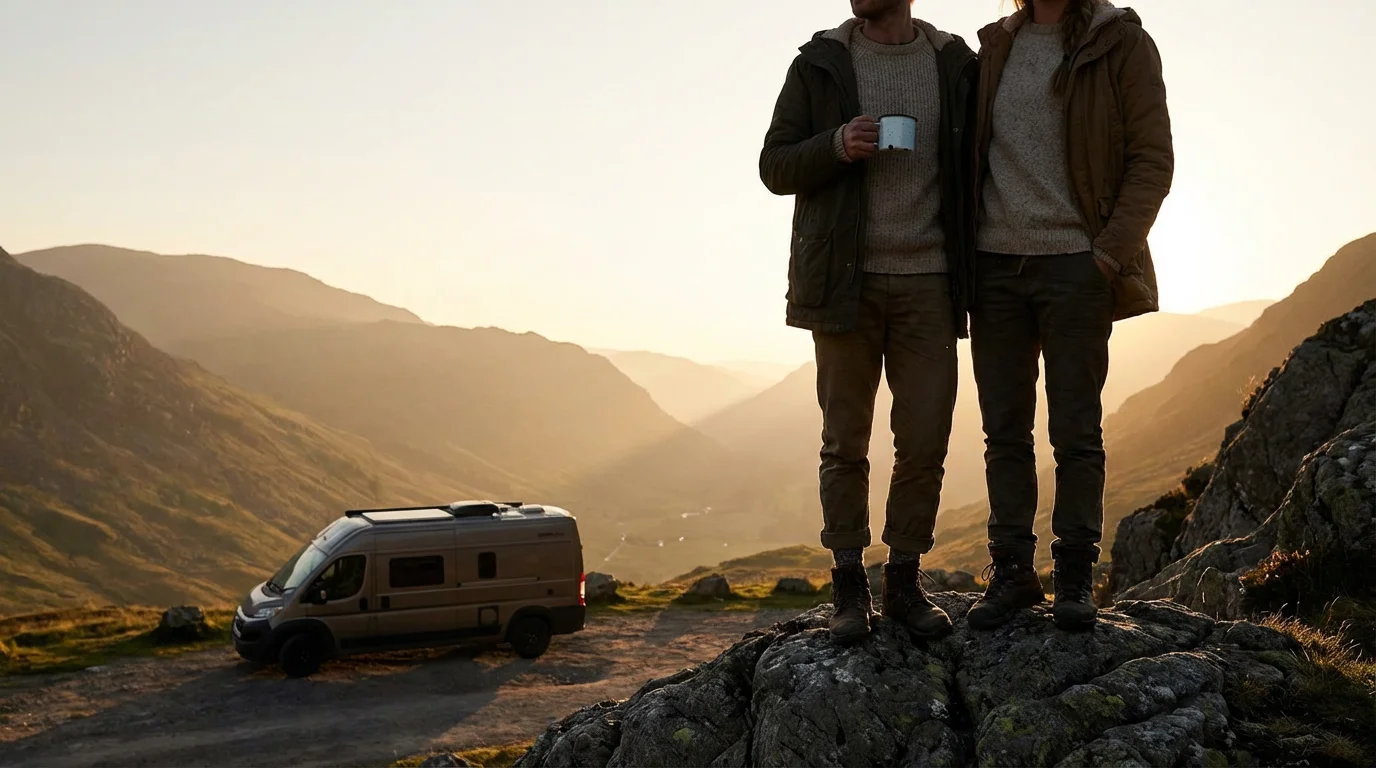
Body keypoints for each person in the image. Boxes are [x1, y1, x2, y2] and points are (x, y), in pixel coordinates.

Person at [759, 0, 978, 643]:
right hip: (843, 284)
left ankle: (904, 578)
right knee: (844, 442)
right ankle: (849, 584)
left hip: (931, 283)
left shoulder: (953, 64)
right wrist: (835, 145)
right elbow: (774, 165)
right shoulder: (821, 62)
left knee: (925, 440)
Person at [965, 0, 1173, 631]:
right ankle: (1013, 573)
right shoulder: (997, 45)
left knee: (1076, 432)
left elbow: (1152, 157)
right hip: (994, 267)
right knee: (1004, 432)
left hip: (1076, 268)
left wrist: (1107, 255)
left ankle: (1076, 576)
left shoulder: (1121, 43)